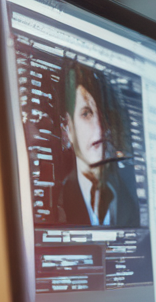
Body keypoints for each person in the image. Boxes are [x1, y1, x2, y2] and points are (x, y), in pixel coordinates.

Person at [55, 60, 140, 228]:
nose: (99, 127)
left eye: (104, 114)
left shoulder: (129, 198)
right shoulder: (57, 201)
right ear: (67, 130)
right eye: (86, 113)